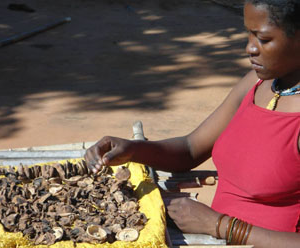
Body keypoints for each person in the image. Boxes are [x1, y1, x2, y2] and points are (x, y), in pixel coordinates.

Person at [84, 0, 300, 247]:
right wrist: (132, 150)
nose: (249, 48)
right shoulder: (258, 83)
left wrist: (220, 226)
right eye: (248, 34)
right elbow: (190, 148)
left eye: (263, 38)